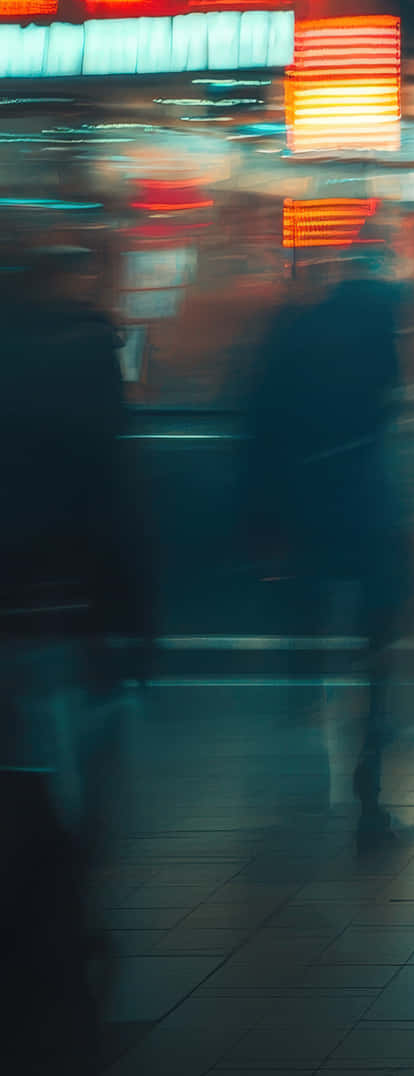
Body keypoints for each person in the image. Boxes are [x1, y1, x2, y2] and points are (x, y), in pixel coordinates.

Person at [1, 244, 151, 1074]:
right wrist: (138, 620)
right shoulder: (84, 349)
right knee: (71, 781)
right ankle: (61, 931)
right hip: (63, 608)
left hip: (33, 607)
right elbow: (116, 487)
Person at [242, 251, 414, 855]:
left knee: (307, 628)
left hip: (304, 506)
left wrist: (261, 521)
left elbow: (259, 422)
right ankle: (369, 784)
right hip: (373, 507)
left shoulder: (295, 328)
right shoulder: (395, 332)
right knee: (378, 651)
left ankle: (298, 731)